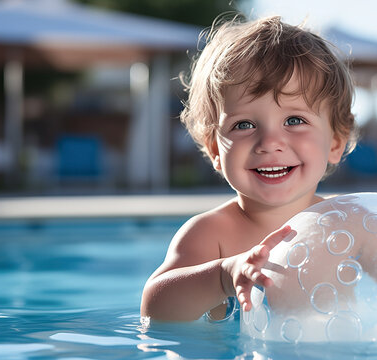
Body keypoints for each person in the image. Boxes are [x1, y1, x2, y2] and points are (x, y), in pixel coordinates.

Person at [140, 15, 358, 322]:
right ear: (216, 149)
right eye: (244, 124)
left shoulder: (350, 227)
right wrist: (222, 277)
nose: (270, 142)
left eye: (294, 120)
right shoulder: (210, 235)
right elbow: (155, 308)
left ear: (335, 142)